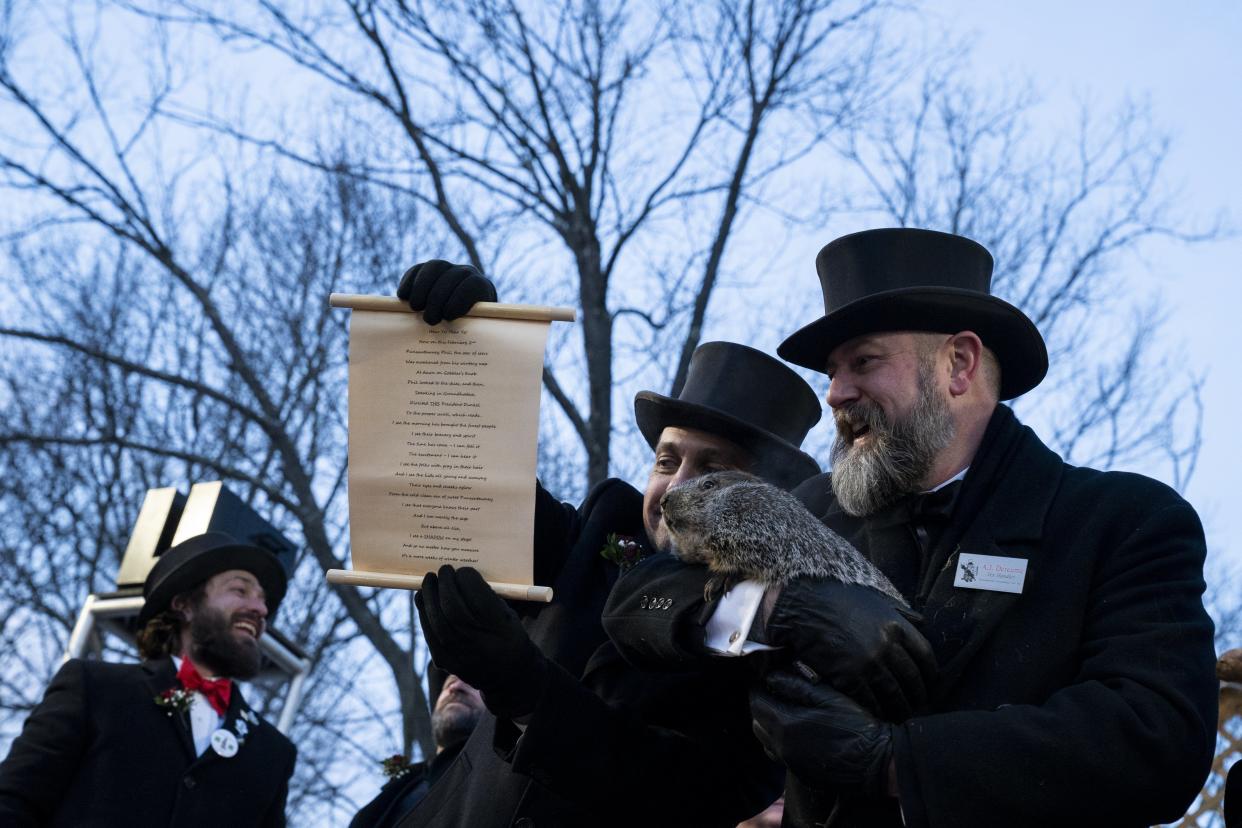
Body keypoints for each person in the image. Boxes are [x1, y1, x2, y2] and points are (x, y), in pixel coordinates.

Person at [603, 227, 1219, 827]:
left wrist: (894, 762)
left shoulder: (1119, 521)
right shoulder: (815, 507)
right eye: (832, 373)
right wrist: (776, 609)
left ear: (958, 363)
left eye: (863, 362)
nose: (836, 394)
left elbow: (1156, 738)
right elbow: (638, 603)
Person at [390, 260, 918, 826]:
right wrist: (465, 351)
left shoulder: (779, 635)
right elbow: (470, 492)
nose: (678, 488)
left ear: (768, 503)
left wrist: (524, 688)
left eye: (714, 469)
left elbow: (685, 790)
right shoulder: (597, 533)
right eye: (667, 461)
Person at [0, 531, 297, 826]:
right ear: (185, 605)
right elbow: (12, 801)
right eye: (240, 590)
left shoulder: (272, 752)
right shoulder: (95, 687)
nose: (260, 610)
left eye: (262, 600)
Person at [350, 671, 486, 828]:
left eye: (471, 682)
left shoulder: (505, 773)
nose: (455, 686)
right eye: (448, 684)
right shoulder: (390, 798)